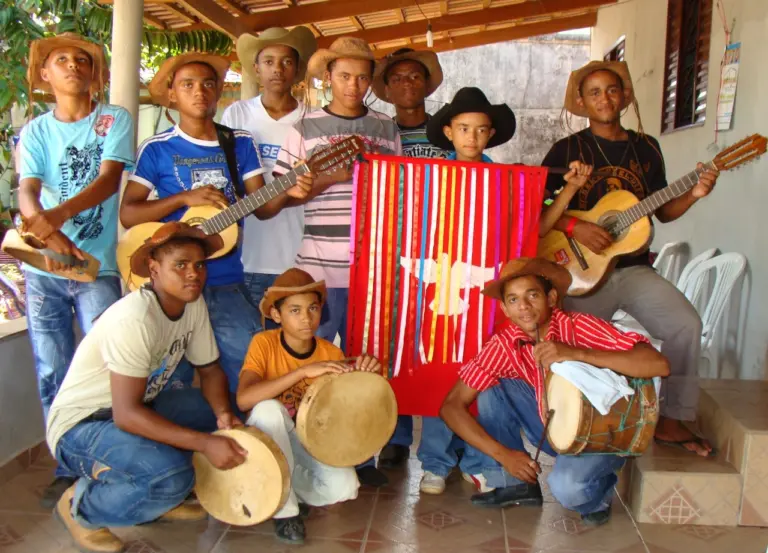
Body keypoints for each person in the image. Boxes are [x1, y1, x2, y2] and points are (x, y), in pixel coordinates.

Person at [540, 60, 719, 457]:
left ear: (623, 95)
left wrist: (694, 193)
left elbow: (663, 211)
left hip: (634, 268)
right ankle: (582, 423)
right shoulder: (567, 149)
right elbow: (539, 211)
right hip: (580, 272)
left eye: (611, 89)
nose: (604, 98)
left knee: (685, 323)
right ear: (582, 102)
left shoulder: (646, 148)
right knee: (573, 343)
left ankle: (671, 418)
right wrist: (575, 229)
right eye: (594, 92)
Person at [46, 222, 248, 553]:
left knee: (229, 410)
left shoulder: (191, 304)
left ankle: (158, 495)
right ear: (154, 269)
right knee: (170, 476)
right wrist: (206, 443)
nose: (193, 274)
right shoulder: (135, 318)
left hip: (139, 407)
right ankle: (80, 506)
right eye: (180, 265)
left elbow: (210, 370)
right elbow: (126, 415)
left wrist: (224, 415)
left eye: (199, 265)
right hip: (83, 424)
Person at [120, 53, 311, 398]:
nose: (199, 92)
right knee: (168, 379)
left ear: (219, 91)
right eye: (187, 85)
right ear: (172, 95)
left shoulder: (238, 142)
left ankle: (248, 441)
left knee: (250, 368)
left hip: (225, 280)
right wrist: (182, 199)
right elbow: (129, 214)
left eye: (208, 84)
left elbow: (263, 208)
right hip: (171, 285)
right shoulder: (157, 148)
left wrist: (290, 190)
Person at [440, 257, 670, 526]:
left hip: (601, 436)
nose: (523, 307)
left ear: (551, 298)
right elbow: (451, 406)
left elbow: (658, 364)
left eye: (532, 295)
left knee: (568, 491)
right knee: (493, 389)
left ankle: (600, 491)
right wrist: (504, 455)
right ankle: (516, 483)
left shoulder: (578, 326)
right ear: (504, 308)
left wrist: (577, 354)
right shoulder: (504, 343)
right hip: (552, 427)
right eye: (513, 300)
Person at [274, 36, 402, 488]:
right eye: (345, 75)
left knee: (365, 366)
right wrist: (333, 177)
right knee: (311, 366)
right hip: (318, 269)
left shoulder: (387, 127)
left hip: (375, 269)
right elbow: (283, 197)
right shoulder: (303, 128)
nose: (354, 84)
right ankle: (303, 455)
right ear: (327, 77)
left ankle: (360, 455)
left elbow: (402, 195)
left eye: (363, 76)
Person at [18, 33, 133, 507]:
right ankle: (67, 465)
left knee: (108, 371)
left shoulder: (113, 119)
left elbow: (109, 180)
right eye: (59, 60)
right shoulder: (35, 131)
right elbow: (27, 191)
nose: (72, 66)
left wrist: (57, 219)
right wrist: (46, 233)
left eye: (82, 60)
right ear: (44, 74)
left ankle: (107, 463)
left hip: (98, 268)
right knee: (52, 370)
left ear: (95, 73)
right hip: (45, 268)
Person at [237, 268, 380, 544]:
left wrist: (364, 376)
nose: (306, 318)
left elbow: (342, 413)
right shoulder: (263, 343)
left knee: (345, 488)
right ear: (276, 315)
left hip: (305, 442)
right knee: (269, 409)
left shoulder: (331, 353)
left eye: (313, 308)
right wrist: (302, 372)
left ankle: (278, 490)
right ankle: (286, 513)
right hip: (267, 439)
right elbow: (244, 399)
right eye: (295, 310)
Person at [221, 27, 317, 312]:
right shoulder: (237, 115)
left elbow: (315, 187)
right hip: (248, 251)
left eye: (287, 61)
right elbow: (229, 180)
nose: (278, 69)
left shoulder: (310, 119)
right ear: (255, 69)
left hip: (298, 252)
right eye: (269, 61)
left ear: (297, 69)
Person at [427, 87, 587, 237]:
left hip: (494, 266)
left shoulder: (506, 180)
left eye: (481, 130)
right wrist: (431, 177)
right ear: (449, 132)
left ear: (490, 134)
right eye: (464, 129)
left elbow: (539, 228)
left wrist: (571, 187)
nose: (472, 137)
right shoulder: (433, 176)